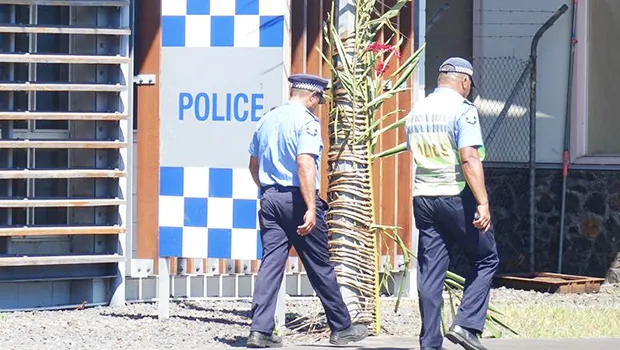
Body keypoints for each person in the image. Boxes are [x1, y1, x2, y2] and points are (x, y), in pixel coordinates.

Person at [246, 73, 368, 348]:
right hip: (298, 201)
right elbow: (305, 164)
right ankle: (341, 328)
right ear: (312, 96)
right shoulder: (306, 122)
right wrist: (311, 206)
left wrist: (267, 191)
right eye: (318, 100)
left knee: (271, 265)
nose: (318, 105)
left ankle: (259, 331)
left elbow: (253, 165)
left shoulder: (267, 118)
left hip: (269, 197)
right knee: (319, 265)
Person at [404, 57, 500, 350]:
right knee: (486, 258)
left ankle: (429, 342)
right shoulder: (462, 109)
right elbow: (468, 156)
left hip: (423, 197)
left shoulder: (417, 110)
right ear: (464, 81)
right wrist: (482, 202)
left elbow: (414, 151)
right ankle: (466, 325)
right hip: (456, 195)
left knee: (431, 270)